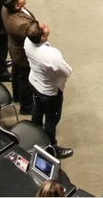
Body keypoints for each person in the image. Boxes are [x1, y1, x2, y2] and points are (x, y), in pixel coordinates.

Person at [24, 21, 74, 159]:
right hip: (49, 92)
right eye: (43, 27)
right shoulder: (51, 55)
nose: (45, 24)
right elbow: (67, 71)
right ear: (43, 38)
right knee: (52, 120)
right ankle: (51, 147)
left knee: (38, 110)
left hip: (35, 82)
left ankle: (34, 135)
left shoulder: (28, 41)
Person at [1, 0, 36, 114]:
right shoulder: (20, 24)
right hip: (22, 54)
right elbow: (34, 37)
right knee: (25, 79)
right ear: (16, 6)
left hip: (14, 48)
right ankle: (26, 107)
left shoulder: (6, 8)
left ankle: (16, 96)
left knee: (16, 73)